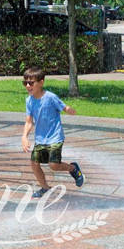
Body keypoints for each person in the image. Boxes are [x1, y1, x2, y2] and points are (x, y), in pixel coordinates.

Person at [20, 66, 84, 198]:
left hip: (55, 137)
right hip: (40, 138)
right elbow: (29, 121)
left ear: (41, 82)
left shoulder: (50, 97)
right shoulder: (29, 100)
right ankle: (45, 188)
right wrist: (24, 136)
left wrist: (69, 110)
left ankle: (73, 169)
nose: (27, 86)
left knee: (53, 165)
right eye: (25, 83)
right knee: (34, 164)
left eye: (31, 83)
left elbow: (63, 106)